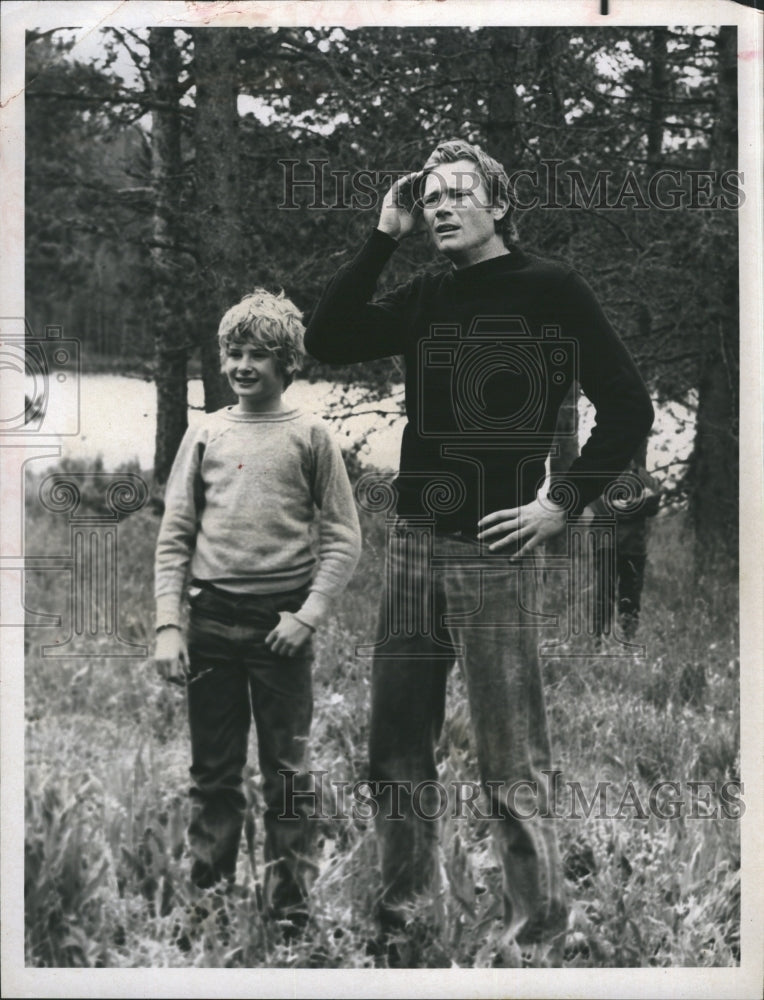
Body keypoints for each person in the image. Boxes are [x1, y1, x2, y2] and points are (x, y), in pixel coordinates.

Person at [304, 139, 654, 957]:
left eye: (458, 194)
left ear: (499, 204)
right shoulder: (426, 294)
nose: (440, 208)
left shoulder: (551, 288)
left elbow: (629, 407)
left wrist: (561, 504)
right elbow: (327, 337)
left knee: (510, 757)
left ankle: (539, 933)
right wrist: (381, 236)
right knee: (395, 749)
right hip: (414, 548)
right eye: (430, 199)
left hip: (496, 552)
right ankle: (405, 920)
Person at [153, 288, 362, 933]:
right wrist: (168, 624)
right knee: (214, 774)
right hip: (211, 622)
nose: (243, 366)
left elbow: (344, 537)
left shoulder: (311, 436)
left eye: (259, 355)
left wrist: (308, 615)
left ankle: (289, 914)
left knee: (287, 775)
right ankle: (207, 910)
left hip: (282, 630)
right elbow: (176, 534)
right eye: (234, 353)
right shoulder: (206, 432)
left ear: (288, 363)